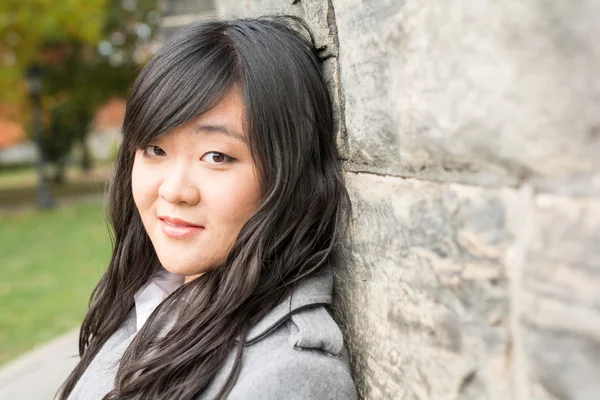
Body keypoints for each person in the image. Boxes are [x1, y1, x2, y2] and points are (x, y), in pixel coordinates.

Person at [59, 16, 356, 400]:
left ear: (290, 171)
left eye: (216, 156)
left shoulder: (288, 377)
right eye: (155, 149)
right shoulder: (153, 293)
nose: (174, 190)